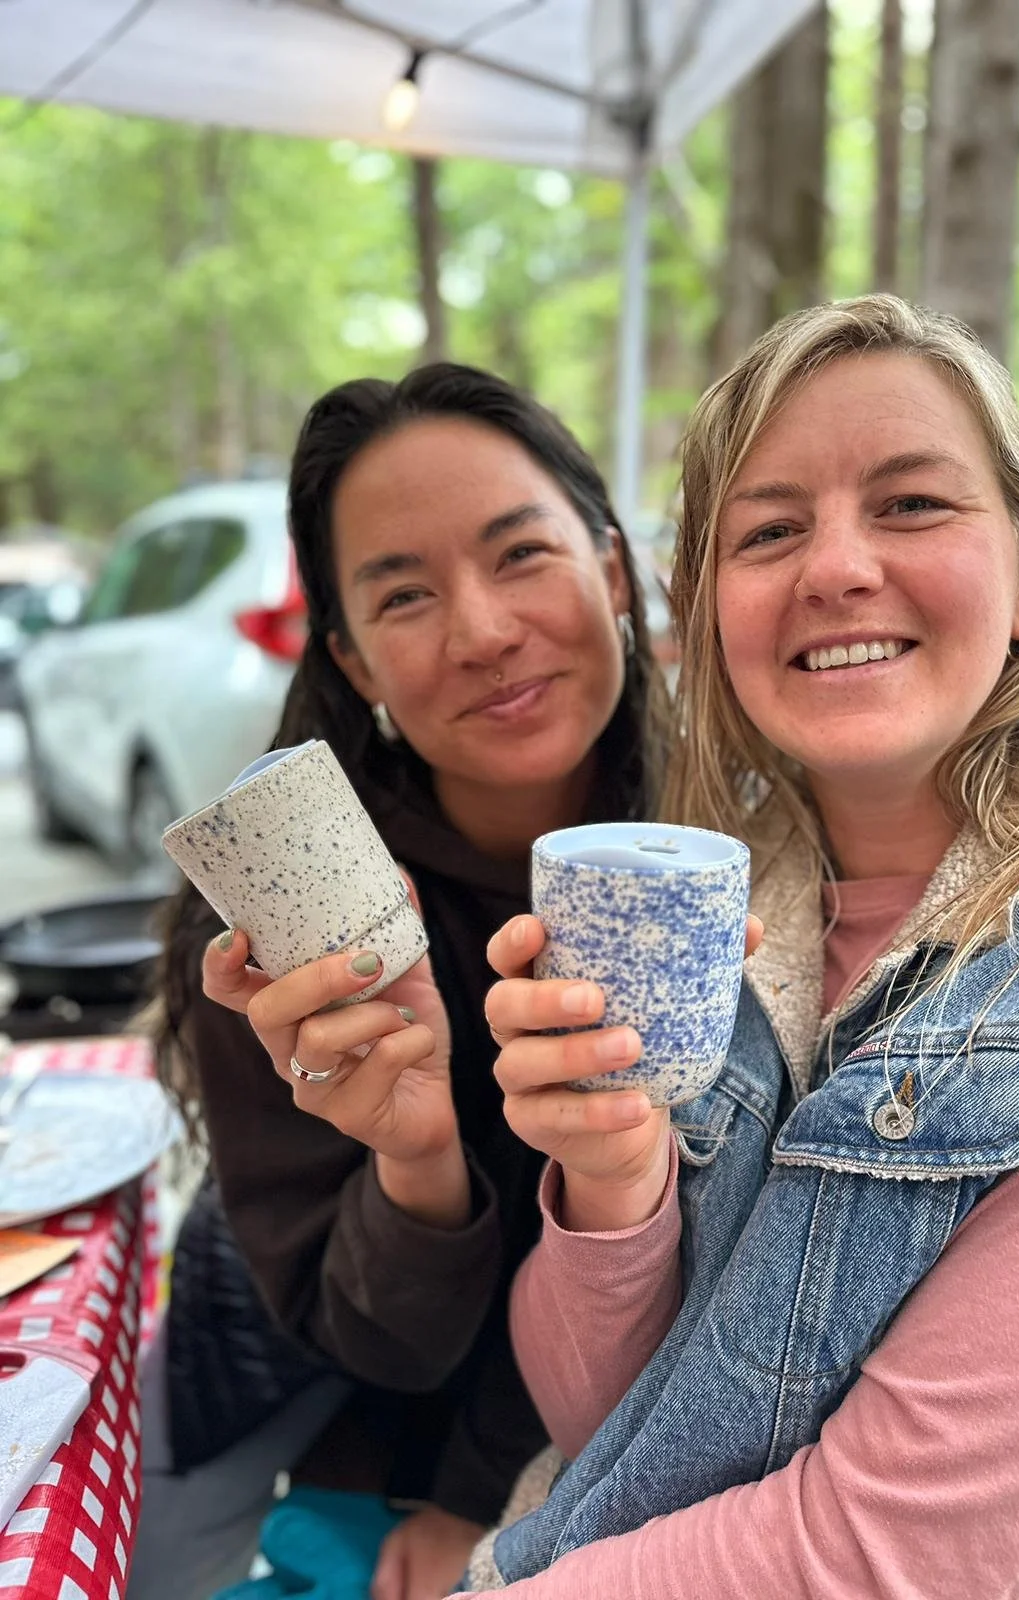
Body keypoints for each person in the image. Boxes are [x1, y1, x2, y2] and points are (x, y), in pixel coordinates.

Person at [473, 295, 1019, 1597]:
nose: (836, 568)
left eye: (912, 504)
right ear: (712, 612)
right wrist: (611, 1179)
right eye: (769, 531)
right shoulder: (716, 916)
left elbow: (908, 1554)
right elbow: (609, 1437)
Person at [131, 362, 665, 1600]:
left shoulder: (731, 849)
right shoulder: (291, 920)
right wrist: (417, 1165)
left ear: (612, 570)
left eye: (522, 554)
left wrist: (490, 1486)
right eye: (405, 595)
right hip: (313, 1382)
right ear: (354, 660)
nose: (482, 632)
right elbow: (377, 1344)